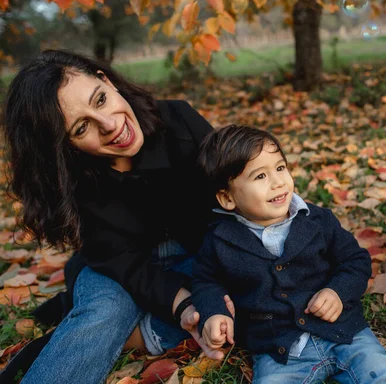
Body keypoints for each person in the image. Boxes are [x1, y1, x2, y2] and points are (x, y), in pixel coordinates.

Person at [0, 49, 232, 383]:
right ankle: (95, 338)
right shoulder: (72, 186)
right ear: (66, 149)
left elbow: (234, 199)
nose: (110, 125)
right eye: (82, 128)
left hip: (199, 256)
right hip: (117, 272)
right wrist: (181, 304)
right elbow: (125, 266)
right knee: (104, 313)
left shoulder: (179, 120)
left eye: (100, 99)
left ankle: (137, 334)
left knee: (246, 283)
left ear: (106, 80)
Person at [189, 124, 386, 383]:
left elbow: (355, 260)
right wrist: (215, 311)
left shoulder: (317, 221)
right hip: (278, 349)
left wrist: (338, 292)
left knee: (384, 372)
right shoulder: (220, 239)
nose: (277, 182)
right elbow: (206, 281)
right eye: (260, 176)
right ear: (228, 198)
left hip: (344, 332)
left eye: (280, 168)